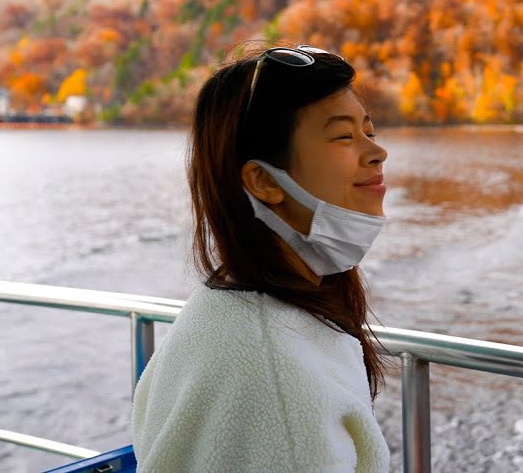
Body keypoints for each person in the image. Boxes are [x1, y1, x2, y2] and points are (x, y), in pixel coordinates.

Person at [131, 44, 392, 473]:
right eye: (344, 136)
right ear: (264, 181)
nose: (376, 153)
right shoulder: (277, 384)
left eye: (370, 131)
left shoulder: (223, 308)